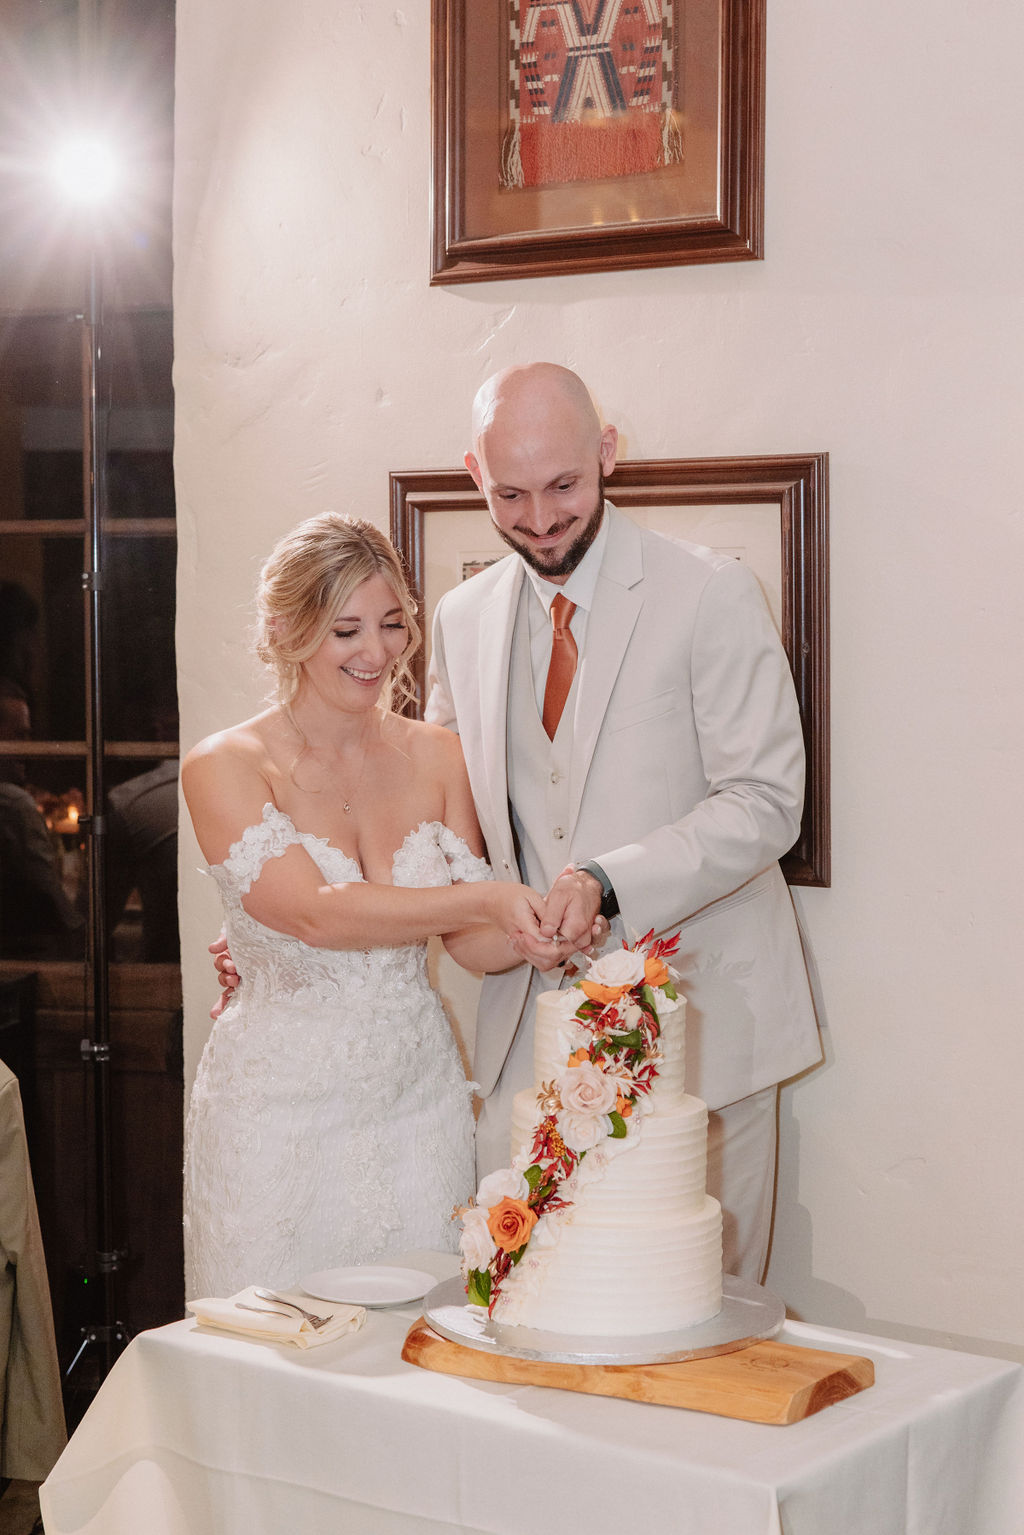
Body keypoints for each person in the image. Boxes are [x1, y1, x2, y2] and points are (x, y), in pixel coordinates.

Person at [424, 363, 822, 1281]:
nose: (540, 518)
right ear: (475, 473)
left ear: (607, 452)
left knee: (701, 1335)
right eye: (510, 494)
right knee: (538, 1324)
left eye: (564, 485)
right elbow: (439, 817)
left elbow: (767, 801)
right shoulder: (461, 618)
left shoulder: (708, 591)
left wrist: (608, 879)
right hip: (528, 1043)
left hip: (707, 1035)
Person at [182, 513, 568, 1299]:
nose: (377, 652)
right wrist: (494, 893)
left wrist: (535, 934)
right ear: (287, 629)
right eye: (345, 629)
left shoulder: (436, 752)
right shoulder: (225, 765)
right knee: (276, 1350)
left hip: (415, 1101)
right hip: (273, 1115)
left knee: (421, 1338)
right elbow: (316, 913)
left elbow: (466, 940)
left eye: (393, 624)